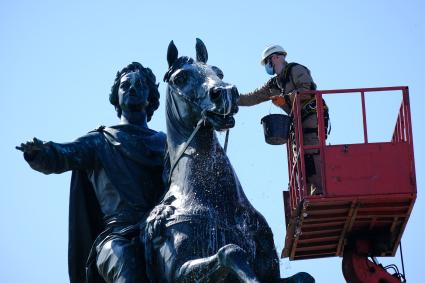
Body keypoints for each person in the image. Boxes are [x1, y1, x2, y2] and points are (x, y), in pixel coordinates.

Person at [16, 62, 167, 283]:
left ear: (151, 97)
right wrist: (40, 153)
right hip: (118, 238)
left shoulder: (166, 144)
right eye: (125, 85)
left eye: (140, 84)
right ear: (116, 97)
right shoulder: (99, 141)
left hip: (160, 231)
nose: (132, 88)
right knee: (127, 267)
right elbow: (64, 154)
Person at [238, 44, 329, 195]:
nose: (268, 66)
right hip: (297, 120)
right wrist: (232, 98)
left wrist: (285, 99)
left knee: (311, 151)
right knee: (299, 156)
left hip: (312, 115)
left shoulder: (296, 69)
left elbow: (307, 90)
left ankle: (320, 191)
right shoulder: (274, 84)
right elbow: (253, 97)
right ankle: (306, 194)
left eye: (267, 61)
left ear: (276, 57)